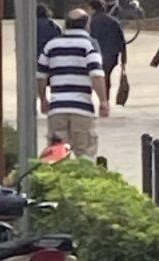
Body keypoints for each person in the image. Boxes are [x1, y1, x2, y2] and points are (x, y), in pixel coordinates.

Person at [37, 8, 109, 159]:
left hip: (57, 108)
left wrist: (43, 99)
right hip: (82, 108)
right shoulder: (89, 45)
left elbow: (41, 76)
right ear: (86, 24)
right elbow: (96, 75)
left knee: (56, 156)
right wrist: (103, 101)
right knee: (85, 154)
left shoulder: (51, 45)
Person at [88, 0, 127, 100]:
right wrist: (124, 59)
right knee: (106, 77)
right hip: (112, 55)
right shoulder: (114, 21)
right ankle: (105, 100)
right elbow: (122, 40)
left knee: (93, 77)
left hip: (95, 55)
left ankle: (95, 100)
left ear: (92, 9)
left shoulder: (91, 22)